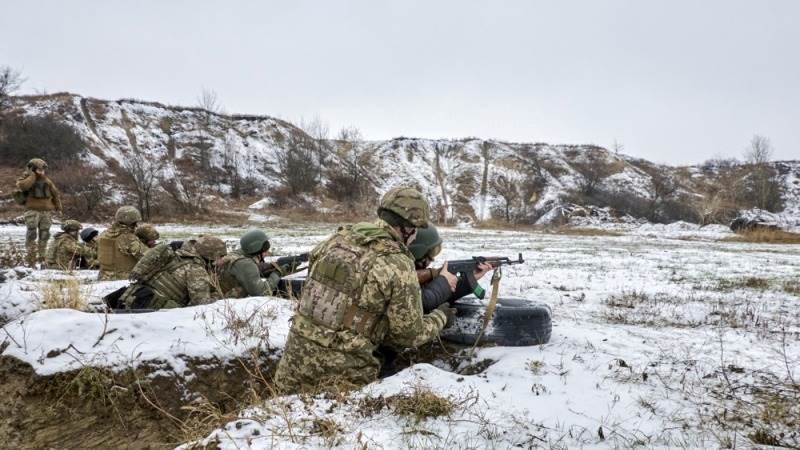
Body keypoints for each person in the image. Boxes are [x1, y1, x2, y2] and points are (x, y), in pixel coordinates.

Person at [274, 186, 455, 393]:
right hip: (341, 383)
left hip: (291, 370)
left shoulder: (336, 239)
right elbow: (408, 336)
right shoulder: (397, 262)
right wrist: (441, 317)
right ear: (409, 228)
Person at [115, 236, 228, 310]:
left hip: (131, 298)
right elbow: (201, 304)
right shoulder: (196, 269)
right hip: (148, 309)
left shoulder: (176, 255)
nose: (222, 260)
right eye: (221, 256)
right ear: (212, 256)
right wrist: (220, 296)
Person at [408, 225, 492, 313]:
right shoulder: (400, 277)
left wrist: (467, 280)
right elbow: (420, 304)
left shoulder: (411, 275)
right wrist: (443, 280)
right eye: (430, 257)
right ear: (418, 253)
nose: (432, 261)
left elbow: (438, 296)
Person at [15, 158, 62, 267]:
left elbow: (55, 194)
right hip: (32, 211)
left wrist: (59, 208)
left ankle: (42, 259)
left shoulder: (47, 180)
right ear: (33, 169)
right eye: (39, 169)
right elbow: (23, 186)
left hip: (46, 212)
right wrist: (32, 175)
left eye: (43, 170)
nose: (42, 172)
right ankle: (31, 259)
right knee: (32, 234)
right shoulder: (26, 178)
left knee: (44, 235)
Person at [216, 229, 283, 298]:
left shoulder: (237, 254)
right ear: (256, 249)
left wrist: (270, 267)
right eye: (265, 249)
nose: (267, 253)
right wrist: (278, 273)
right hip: (225, 301)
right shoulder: (246, 264)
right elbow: (261, 292)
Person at [96, 206, 149, 280]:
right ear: (129, 222)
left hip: (103, 276)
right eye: (134, 223)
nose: (136, 225)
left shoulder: (104, 234)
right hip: (122, 278)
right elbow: (147, 256)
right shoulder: (128, 237)